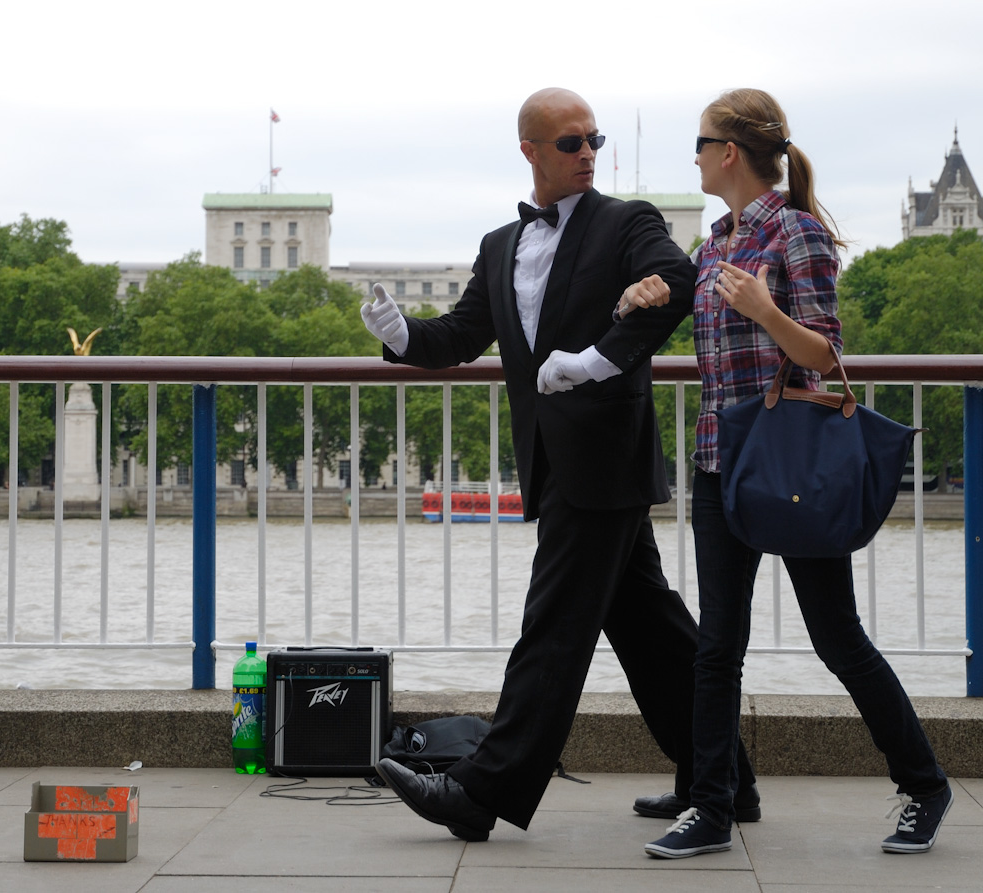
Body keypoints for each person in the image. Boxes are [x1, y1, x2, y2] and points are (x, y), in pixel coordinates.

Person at [362, 88, 759, 842]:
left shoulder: (627, 221)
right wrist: (400, 334)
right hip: (553, 464)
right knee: (652, 630)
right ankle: (726, 778)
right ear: (531, 152)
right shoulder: (500, 246)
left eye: (594, 140)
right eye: (571, 143)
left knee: (552, 628)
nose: (587, 154)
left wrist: (597, 360)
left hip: (606, 458)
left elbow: (680, 284)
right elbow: (459, 336)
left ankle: (482, 789)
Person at [621, 88, 952, 859]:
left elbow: (825, 356)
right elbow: (681, 310)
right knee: (717, 646)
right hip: (719, 462)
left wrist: (768, 312)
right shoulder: (716, 238)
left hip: (788, 464)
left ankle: (925, 783)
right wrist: (643, 292)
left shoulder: (796, 234)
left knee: (836, 635)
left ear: (729, 152)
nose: (697, 157)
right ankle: (712, 801)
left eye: (700, 144)